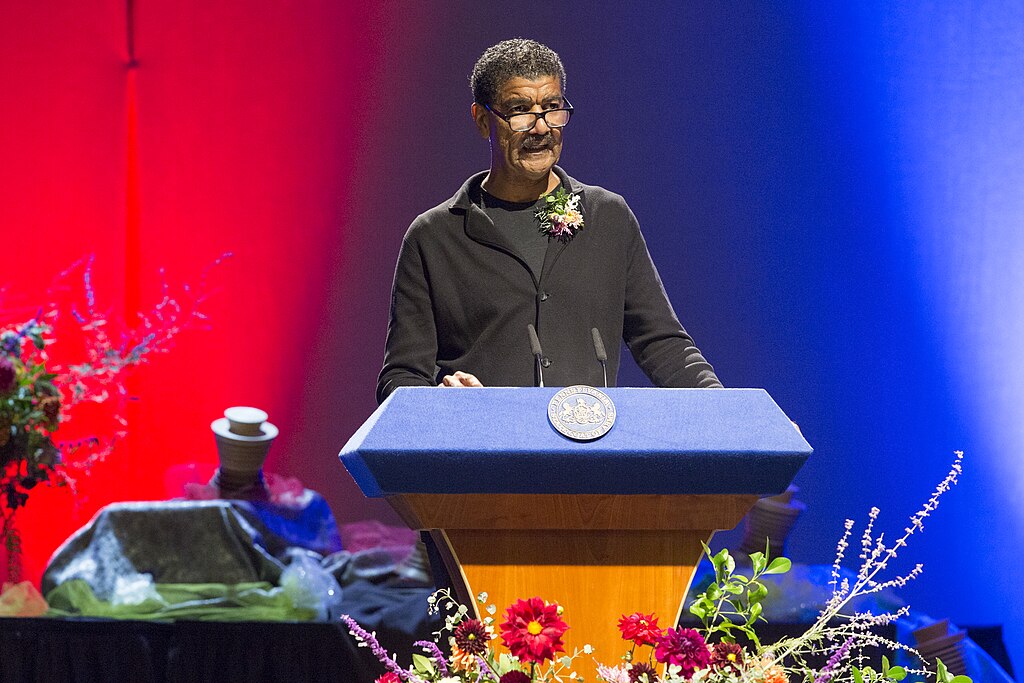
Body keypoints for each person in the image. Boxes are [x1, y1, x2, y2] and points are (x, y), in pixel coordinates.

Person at [376, 38, 721, 404]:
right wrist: (445, 404)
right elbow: (401, 376)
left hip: (590, 455)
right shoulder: (434, 237)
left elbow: (661, 343)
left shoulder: (608, 216)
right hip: (486, 456)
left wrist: (737, 420)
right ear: (481, 119)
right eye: (520, 110)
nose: (540, 128)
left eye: (552, 108)